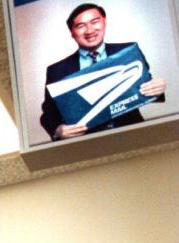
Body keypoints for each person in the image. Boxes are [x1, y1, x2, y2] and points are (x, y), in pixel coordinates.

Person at [40, 3, 167, 141]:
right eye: (81, 26)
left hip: (133, 136)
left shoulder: (129, 52)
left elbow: (143, 88)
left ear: (104, 22)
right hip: (86, 144)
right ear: (72, 32)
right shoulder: (56, 71)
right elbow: (48, 114)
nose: (89, 30)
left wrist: (157, 89)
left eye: (95, 22)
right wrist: (58, 130)